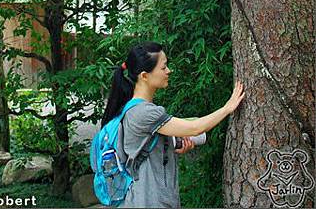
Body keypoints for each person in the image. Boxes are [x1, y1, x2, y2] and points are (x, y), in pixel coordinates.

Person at [101, 41, 245, 209]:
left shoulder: (134, 108)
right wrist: (227, 108)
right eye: (163, 68)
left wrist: (172, 146)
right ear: (144, 76)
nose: (169, 71)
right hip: (148, 199)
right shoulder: (143, 112)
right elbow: (195, 128)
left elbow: (146, 147)